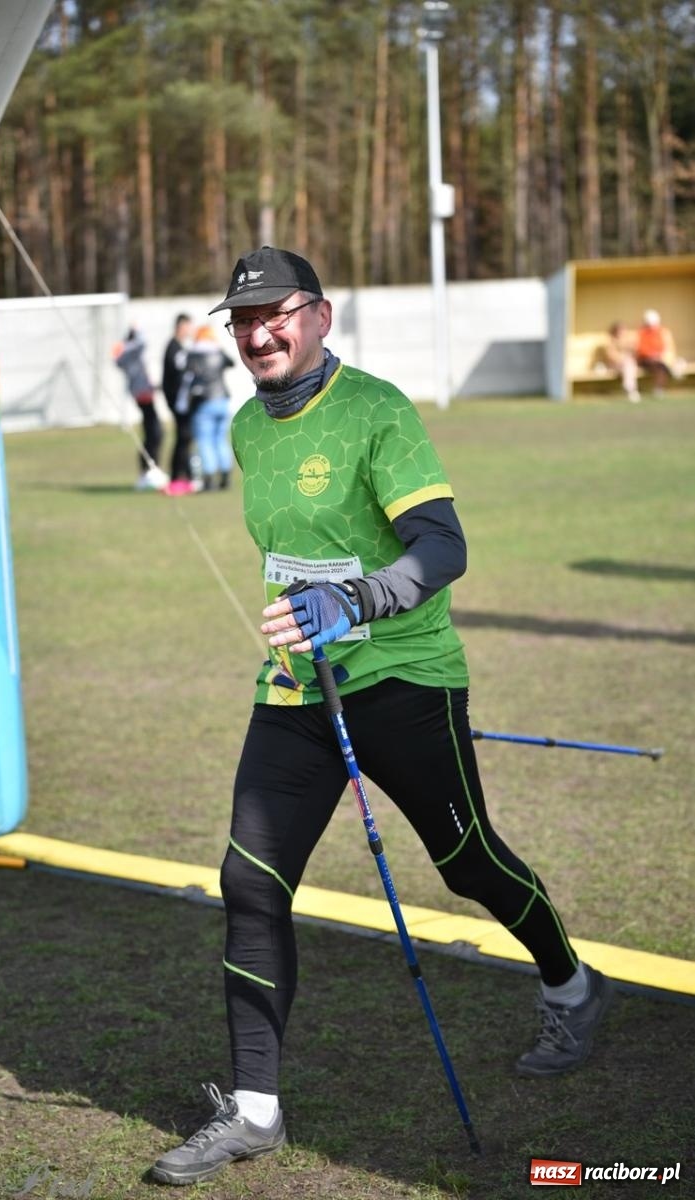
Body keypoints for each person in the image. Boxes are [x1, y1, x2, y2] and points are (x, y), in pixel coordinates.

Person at [150, 247, 613, 1187]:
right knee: (248, 884)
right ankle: (253, 1111)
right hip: (293, 689)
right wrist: (309, 620)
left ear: (319, 316)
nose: (255, 333)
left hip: (404, 676)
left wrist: (356, 601)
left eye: (273, 313)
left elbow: (442, 546)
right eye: (240, 320)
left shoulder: (377, 411)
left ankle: (570, 983)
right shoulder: (244, 426)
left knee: (466, 860)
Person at [176, 325, 235, 492]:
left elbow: (181, 367)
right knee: (220, 440)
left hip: (204, 402)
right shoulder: (218, 351)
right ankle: (225, 477)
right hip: (222, 401)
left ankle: (209, 479)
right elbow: (231, 363)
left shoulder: (193, 354)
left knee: (205, 441)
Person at [113, 328, 167, 490]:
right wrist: (137, 331)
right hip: (142, 395)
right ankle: (149, 470)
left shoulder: (127, 354)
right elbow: (142, 343)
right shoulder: (130, 352)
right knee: (154, 433)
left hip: (143, 394)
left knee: (153, 433)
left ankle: (150, 469)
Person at [161, 313, 195, 487]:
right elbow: (177, 373)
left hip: (182, 402)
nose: (189, 330)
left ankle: (185, 475)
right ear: (180, 327)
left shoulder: (180, 347)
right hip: (178, 402)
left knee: (185, 437)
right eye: (187, 326)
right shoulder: (173, 347)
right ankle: (177, 476)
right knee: (183, 436)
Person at [634, 309, 679, 396]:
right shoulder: (642, 333)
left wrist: (658, 354)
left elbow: (663, 347)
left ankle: (659, 388)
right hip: (644, 359)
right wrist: (650, 355)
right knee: (660, 366)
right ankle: (670, 373)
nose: (652, 326)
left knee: (660, 367)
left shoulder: (662, 332)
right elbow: (640, 348)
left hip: (658, 359)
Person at [602, 321, 640, 402]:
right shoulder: (610, 340)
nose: (621, 332)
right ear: (615, 331)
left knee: (629, 365)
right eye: (619, 330)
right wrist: (621, 358)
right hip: (613, 365)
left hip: (626, 365)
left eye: (623, 330)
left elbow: (634, 351)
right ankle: (631, 389)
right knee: (629, 365)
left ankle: (629, 388)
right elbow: (610, 355)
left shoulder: (627, 340)